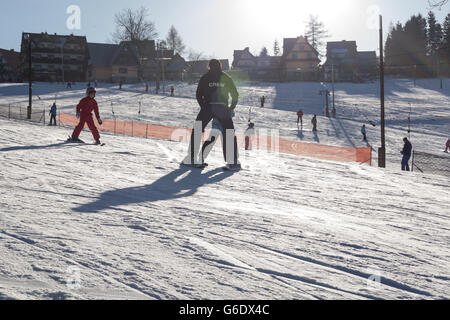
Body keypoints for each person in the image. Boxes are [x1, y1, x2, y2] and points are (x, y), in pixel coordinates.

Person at [182, 59, 240, 170]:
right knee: (229, 132)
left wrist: (203, 106)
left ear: (209, 66)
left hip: (208, 107)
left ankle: (192, 158)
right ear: (220, 66)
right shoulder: (226, 77)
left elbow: (198, 94)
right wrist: (231, 108)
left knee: (197, 129)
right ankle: (233, 162)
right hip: (222, 107)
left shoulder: (205, 78)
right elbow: (235, 95)